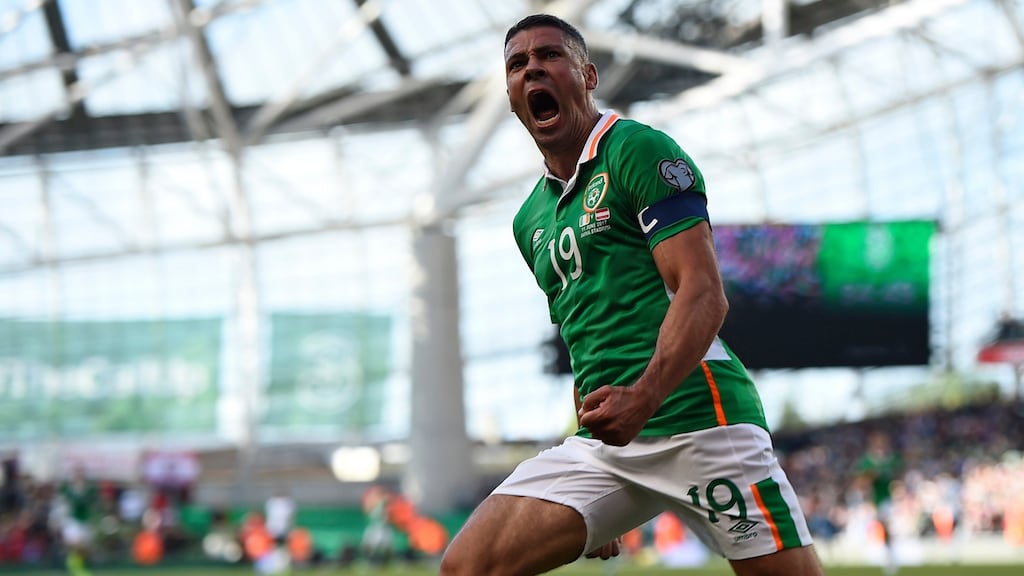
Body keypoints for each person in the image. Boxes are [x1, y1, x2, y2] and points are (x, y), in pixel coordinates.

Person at [439, 14, 825, 576]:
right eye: (517, 64)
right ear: (511, 98)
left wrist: (644, 398)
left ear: (587, 74)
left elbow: (703, 293)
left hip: (702, 423)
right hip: (609, 446)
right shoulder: (530, 220)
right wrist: (592, 490)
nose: (532, 69)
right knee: (467, 567)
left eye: (549, 55)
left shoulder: (636, 150)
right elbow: (582, 331)